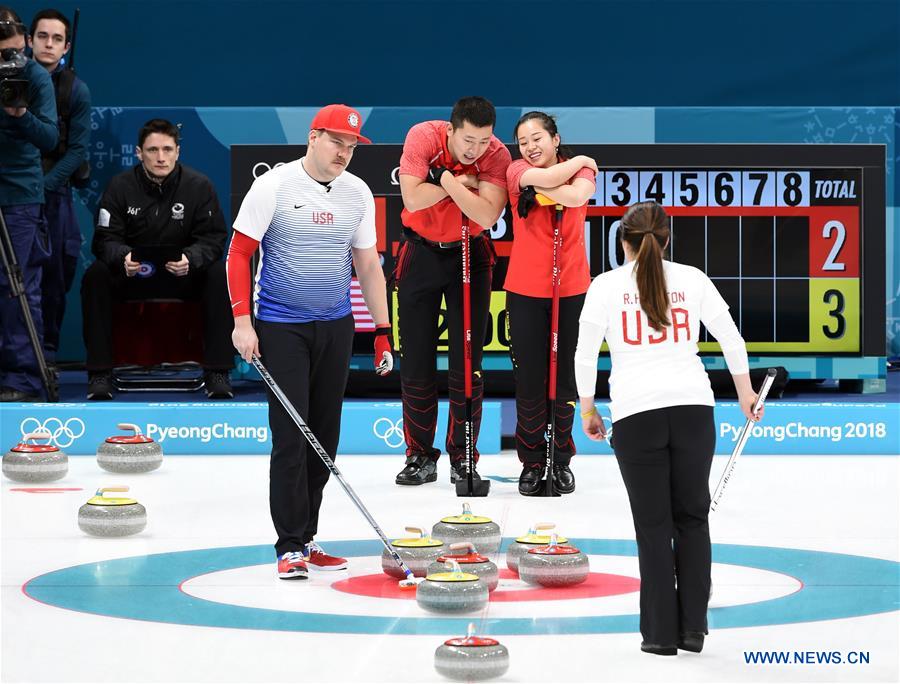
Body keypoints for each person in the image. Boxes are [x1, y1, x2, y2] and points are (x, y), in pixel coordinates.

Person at [574, 201, 764, 656]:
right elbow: (731, 337)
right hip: (693, 409)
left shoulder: (606, 285)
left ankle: (660, 635)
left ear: (623, 241)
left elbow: (584, 354)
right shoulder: (692, 279)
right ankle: (693, 628)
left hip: (636, 413)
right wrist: (745, 392)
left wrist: (587, 410)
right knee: (693, 519)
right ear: (666, 240)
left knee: (653, 525)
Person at [227, 104, 393, 580]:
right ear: (313, 137)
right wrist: (242, 322)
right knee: (291, 437)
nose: (344, 152)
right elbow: (238, 255)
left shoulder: (357, 192)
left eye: (351, 146)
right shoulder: (274, 186)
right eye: (336, 142)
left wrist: (383, 333)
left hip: (336, 326)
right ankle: (288, 545)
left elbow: (368, 266)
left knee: (324, 437)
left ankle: (307, 536)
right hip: (281, 327)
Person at [393, 96, 511, 486]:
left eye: (484, 141)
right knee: (416, 360)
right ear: (450, 130)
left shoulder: (497, 154)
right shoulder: (423, 137)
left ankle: (463, 456)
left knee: (467, 362)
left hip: (470, 253)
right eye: (468, 141)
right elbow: (412, 198)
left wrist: (443, 180)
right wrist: (462, 185)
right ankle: (419, 455)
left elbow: (486, 215)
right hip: (421, 251)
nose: (476, 150)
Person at [81, 118, 234, 400]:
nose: (160, 157)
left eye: (167, 149)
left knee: (217, 274)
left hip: (183, 275)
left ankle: (218, 372)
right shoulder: (119, 186)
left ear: (178, 151)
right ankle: (99, 373)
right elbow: (104, 240)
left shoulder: (199, 186)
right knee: (96, 275)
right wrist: (122, 257)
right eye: (152, 150)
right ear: (139, 153)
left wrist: (191, 258)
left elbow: (214, 238)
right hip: (133, 275)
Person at [504, 111, 597, 496]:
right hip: (525, 289)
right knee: (530, 380)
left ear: (555, 139)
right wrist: (578, 164)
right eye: (523, 142)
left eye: (537, 138)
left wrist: (542, 188)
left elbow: (576, 196)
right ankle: (532, 461)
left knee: (565, 380)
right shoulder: (515, 170)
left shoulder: (580, 174)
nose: (530, 147)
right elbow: (555, 185)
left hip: (572, 287)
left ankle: (560, 459)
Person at [29, 8, 91, 377]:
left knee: (55, 276)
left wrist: (43, 186)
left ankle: (46, 355)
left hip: (52, 194)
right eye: (42, 36)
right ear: (29, 40)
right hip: (13, 193)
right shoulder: (14, 82)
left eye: (56, 39)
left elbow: (77, 151)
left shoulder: (74, 90)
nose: (48, 44)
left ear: (66, 46)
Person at [0, 6, 57, 402]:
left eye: (17, 51)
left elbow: (50, 139)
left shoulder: (33, 77)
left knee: (17, 286)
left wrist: (20, 114)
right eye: (4, 54)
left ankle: (23, 379)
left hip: (19, 195)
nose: (12, 60)